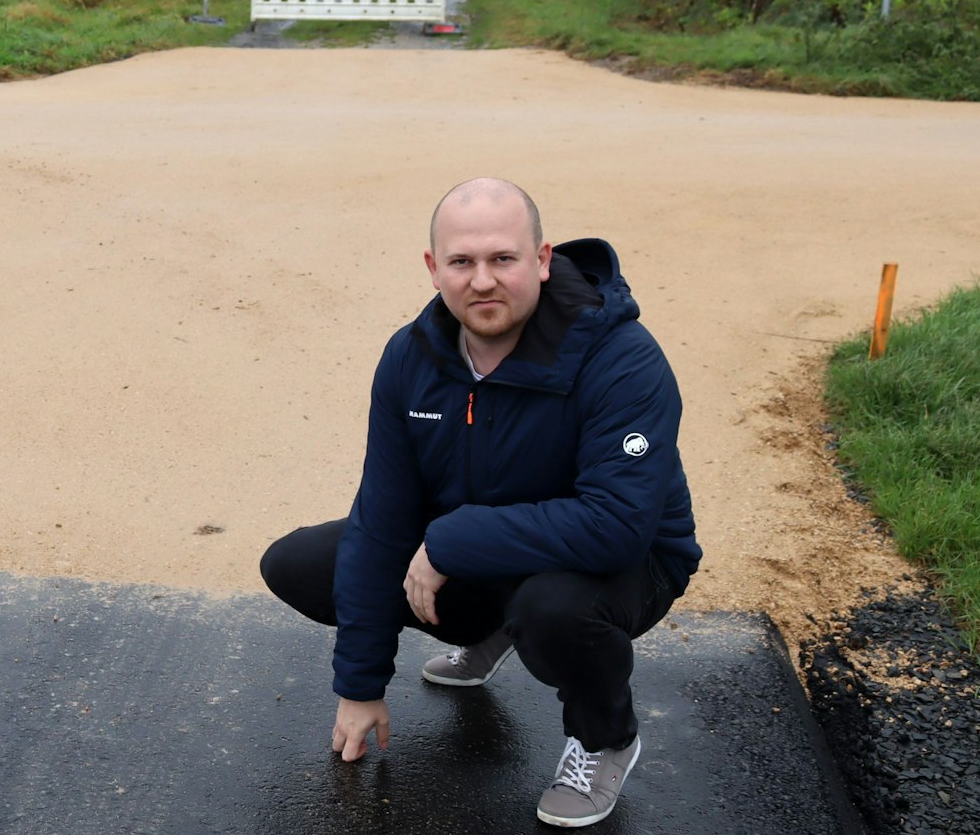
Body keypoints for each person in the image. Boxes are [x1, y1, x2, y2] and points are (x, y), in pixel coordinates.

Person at [259, 177, 701, 828]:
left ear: (543, 260)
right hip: (490, 548)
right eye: (462, 262)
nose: (483, 280)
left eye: (504, 259)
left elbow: (617, 527)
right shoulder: (411, 358)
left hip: (626, 561)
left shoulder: (622, 357)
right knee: (300, 561)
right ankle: (492, 625)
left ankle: (606, 736)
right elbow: (382, 523)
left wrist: (450, 542)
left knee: (551, 608)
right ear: (434, 268)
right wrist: (360, 685)